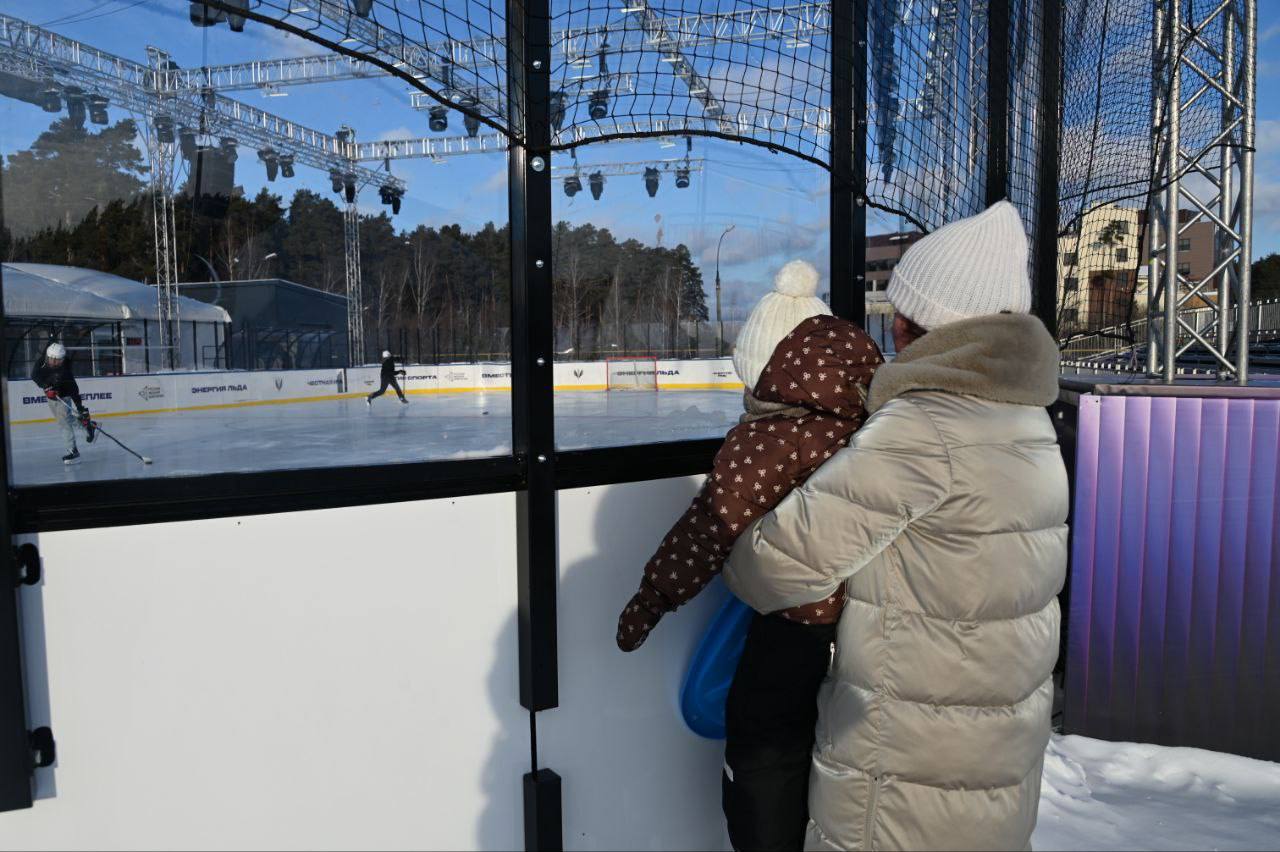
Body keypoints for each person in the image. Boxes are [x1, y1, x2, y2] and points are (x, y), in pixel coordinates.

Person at [725, 201, 1068, 851]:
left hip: (905, 770)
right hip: (991, 760)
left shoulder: (925, 427)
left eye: (898, 315)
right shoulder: (1027, 419)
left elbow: (771, 568)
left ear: (923, 325)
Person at [615, 259, 884, 851]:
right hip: (873, 629)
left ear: (766, 371)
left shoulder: (767, 440)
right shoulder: (877, 427)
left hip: (796, 627)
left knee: (764, 745)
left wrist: (652, 599)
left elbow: (708, 528)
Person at [31, 341, 95, 464]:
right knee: (68, 419)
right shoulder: (43, 361)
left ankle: (73, 451)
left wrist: (80, 407)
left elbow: (74, 391)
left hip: (62, 398)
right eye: (51, 359)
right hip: (51, 398)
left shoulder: (66, 373)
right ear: (47, 356)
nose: (54, 362)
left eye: (58, 360)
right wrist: (45, 386)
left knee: (64, 424)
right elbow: (35, 375)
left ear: (62, 359)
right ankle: (88, 426)